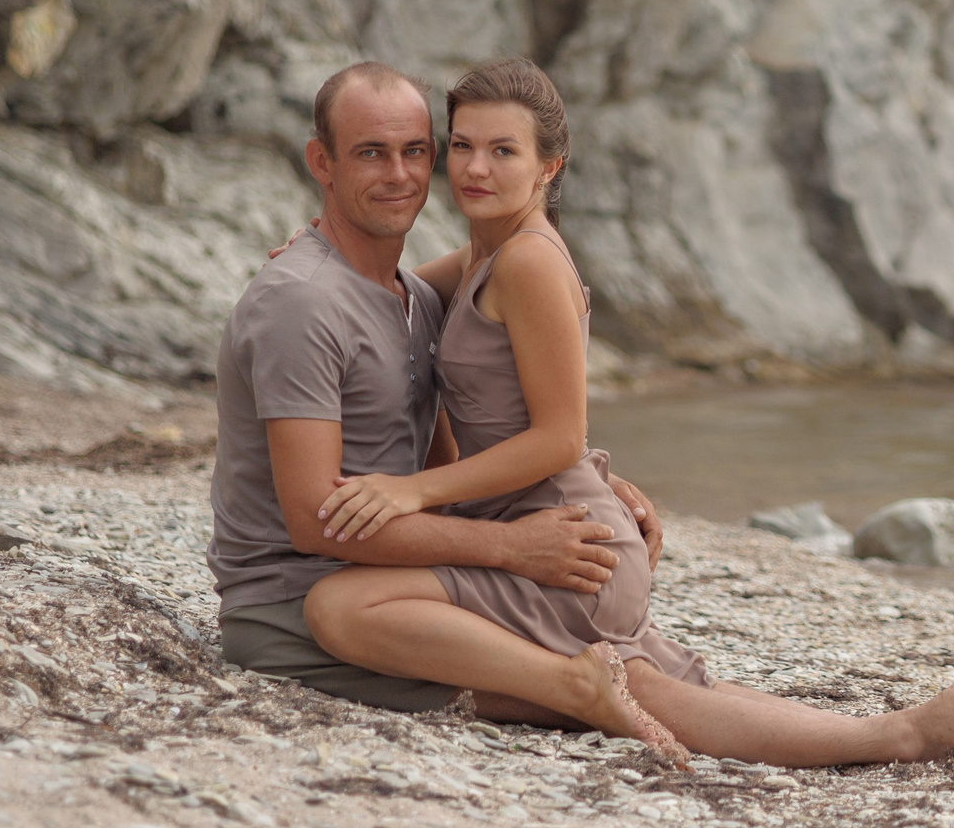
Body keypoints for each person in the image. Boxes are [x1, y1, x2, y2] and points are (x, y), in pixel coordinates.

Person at [299, 56, 954, 767]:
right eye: (461, 145)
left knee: (349, 608)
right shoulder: (483, 256)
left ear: (549, 166)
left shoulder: (527, 260)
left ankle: (910, 734)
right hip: (550, 529)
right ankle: (912, 730)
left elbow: (560, 436)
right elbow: (392, 292)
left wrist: (413, 489)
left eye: (503, 150)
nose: (475, 168)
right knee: (672, 693)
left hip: (561, 543)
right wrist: (316, 250)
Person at [209, 61, 674, 741]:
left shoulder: (417, 295)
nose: (399, 175)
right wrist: (510, 547)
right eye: (370, 153)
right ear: (322, 162)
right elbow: (314, 524)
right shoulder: (302, 301)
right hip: (299, 602)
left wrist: (595, 487)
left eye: (415, 151)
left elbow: (535, 413)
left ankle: (882, 738)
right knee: (624, 686)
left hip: (397, 575)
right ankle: (571, 687)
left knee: (642, 679)